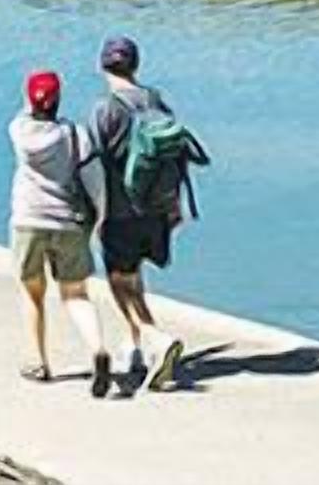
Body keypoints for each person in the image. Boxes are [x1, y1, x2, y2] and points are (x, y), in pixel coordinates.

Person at [86, 35, 206, 393]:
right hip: (156, 211)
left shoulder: (104, 109)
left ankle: (156, 339)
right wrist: (175, 208)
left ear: (102, 66)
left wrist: (92, 213)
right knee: (134, 275)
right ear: (135, 65)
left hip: (120, 213)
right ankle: (135, 345)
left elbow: (90, 163)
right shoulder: (156, 102)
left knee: (119, 283)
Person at [8, 70, 115, 394]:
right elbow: (95, 181)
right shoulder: (75, 135)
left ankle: (38, 362)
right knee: (75, 294)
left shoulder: (17, 131)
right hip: (68, 222)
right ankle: (97, 348)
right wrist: (100, 218)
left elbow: (28, 111)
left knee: (32, 293)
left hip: (28, 220)